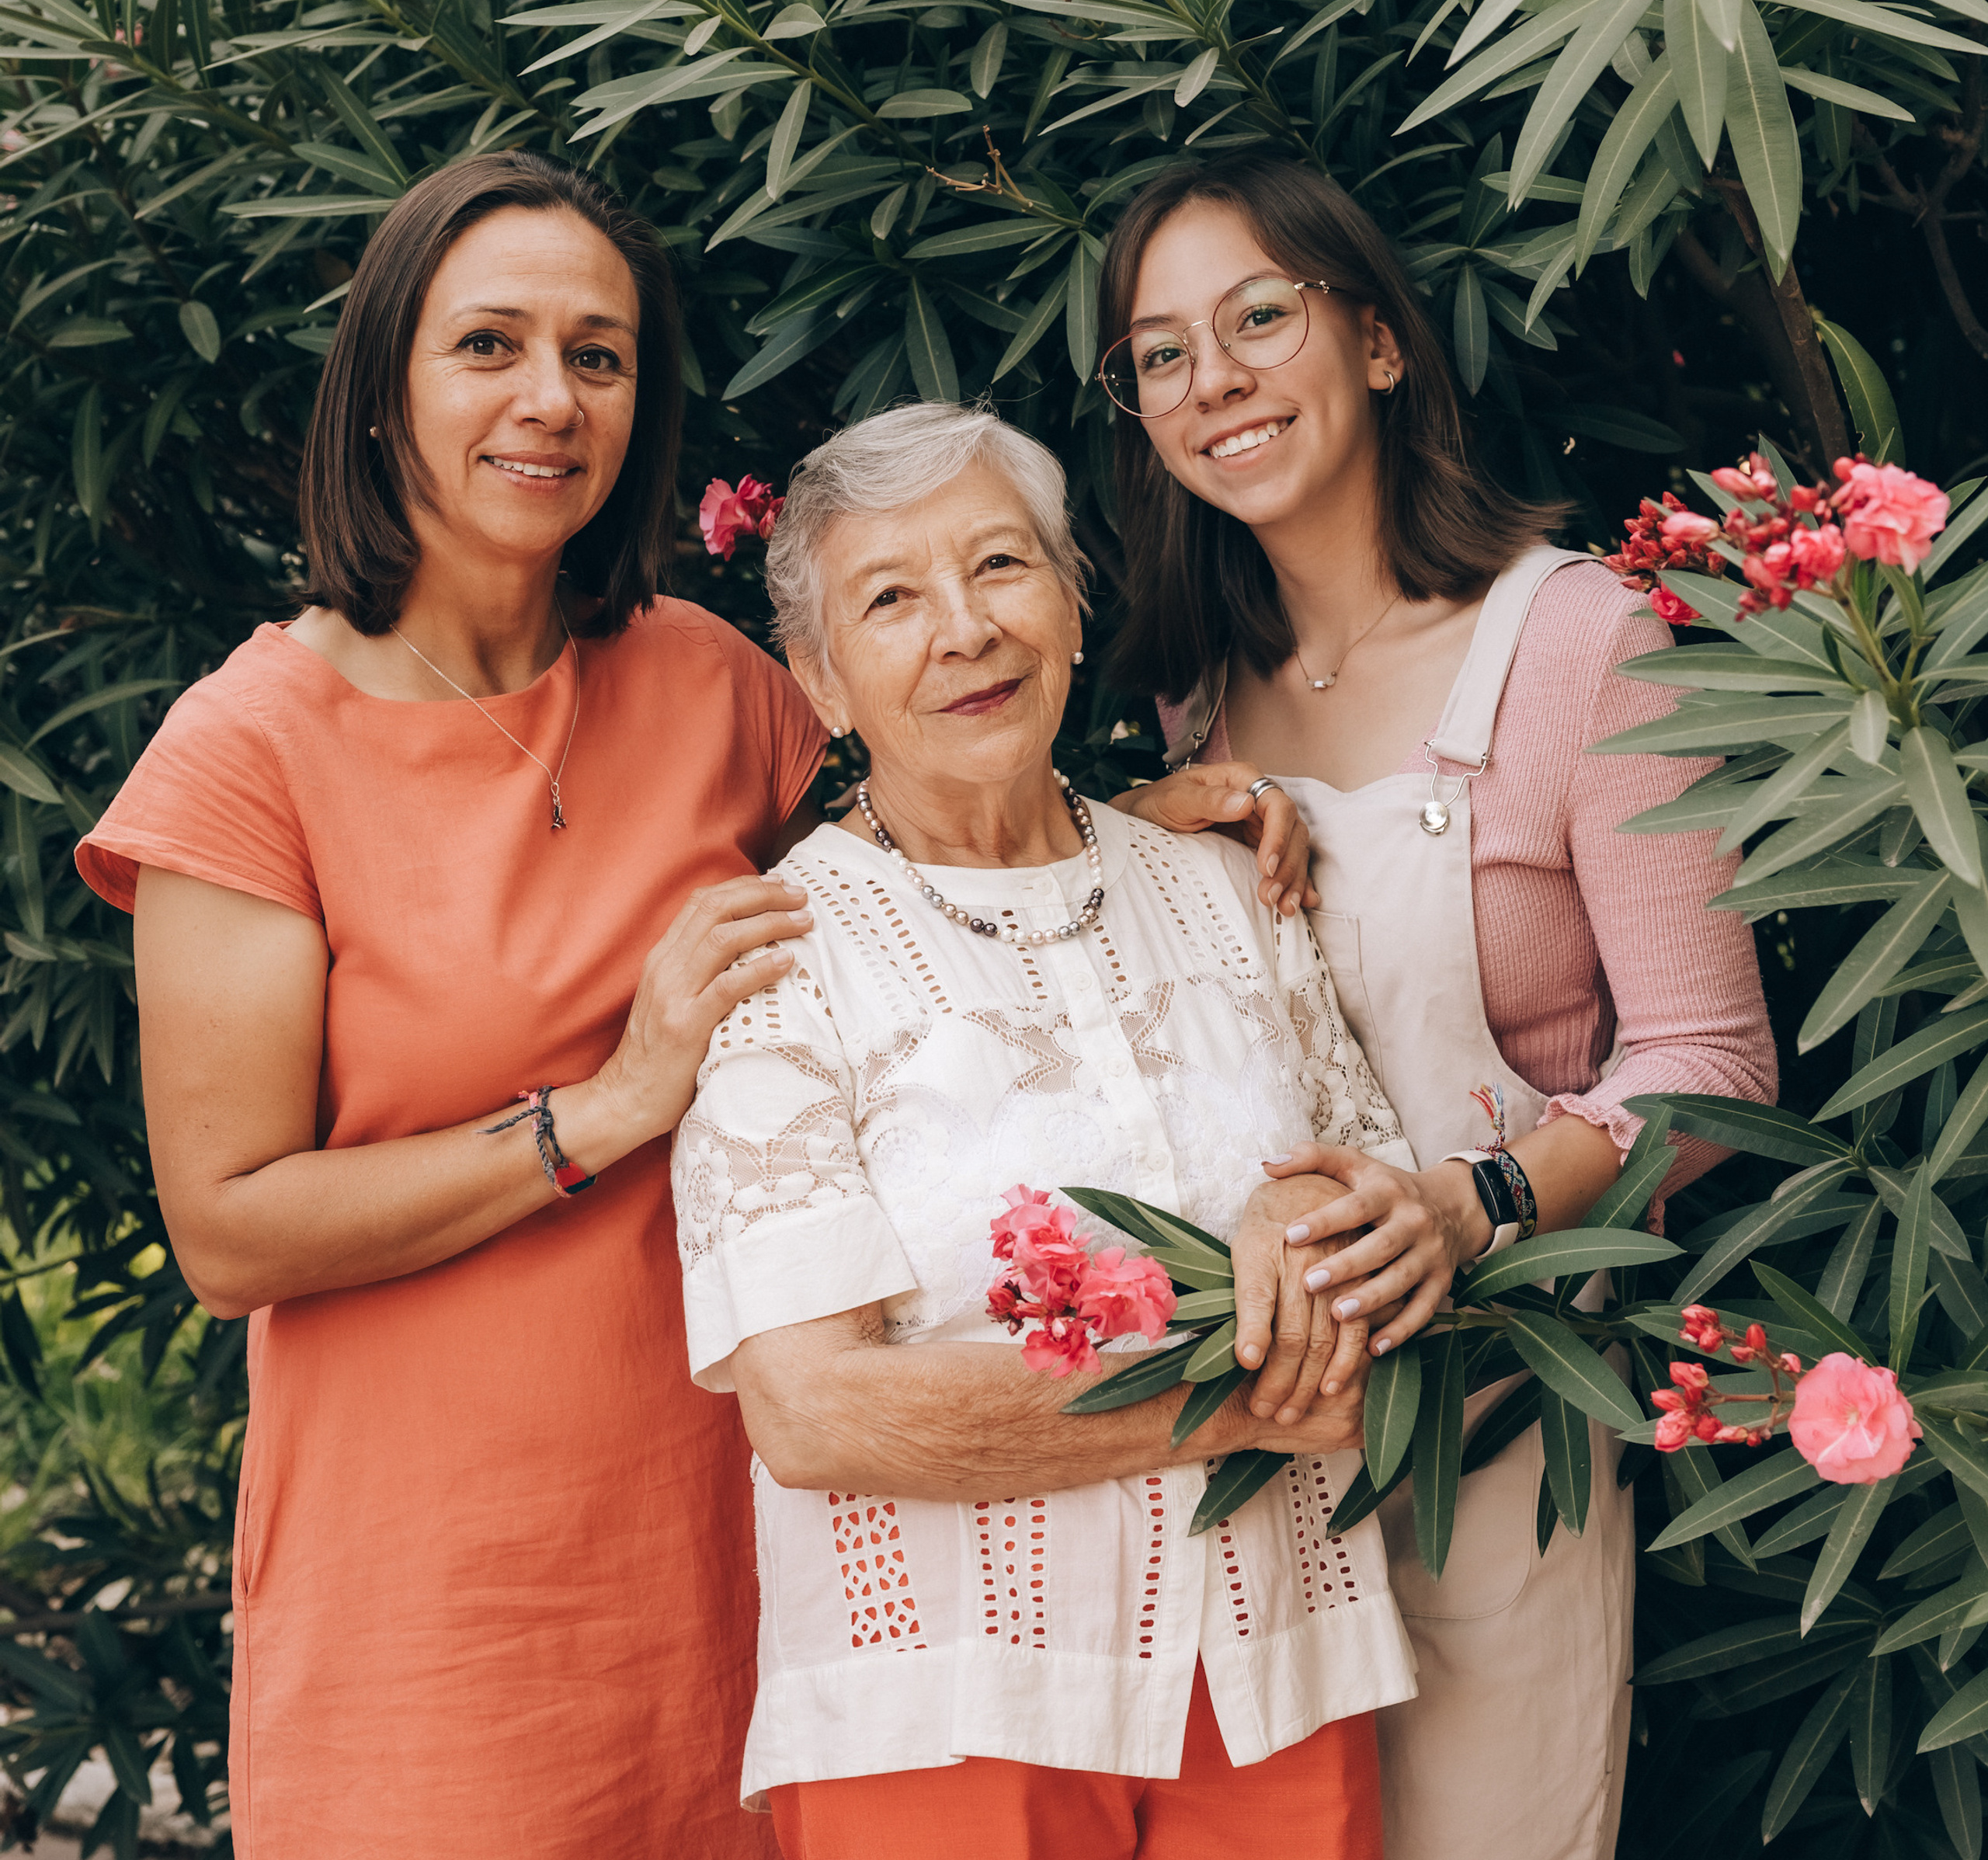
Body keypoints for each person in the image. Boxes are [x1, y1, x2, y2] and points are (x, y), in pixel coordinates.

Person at [73, 152, 828, 1858]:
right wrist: (611, 1105)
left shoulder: (720, 690)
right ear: (382, 387)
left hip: (734, 1561)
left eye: (599, 354)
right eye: (488, 345)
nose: (549, 399)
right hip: (436, 1607)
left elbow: (906, 927)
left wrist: (1130, 837)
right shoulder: (247, 748)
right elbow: (231, 1227)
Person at [1098, 152, 1778, 1860]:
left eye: (1259, 316)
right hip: (1254, 1442)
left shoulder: (1576, 643)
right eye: (1161, 351)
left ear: (1382, 338)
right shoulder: (1194, 700)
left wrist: (1470, 1206)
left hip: (1498, 1422)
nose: (1213, 381)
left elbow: (1709, 1066)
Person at [669, 400, 1421, 1860]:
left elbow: (1378, 1205)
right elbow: (815, 1413)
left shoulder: (1221, 887)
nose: (966, 630)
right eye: (892, 599)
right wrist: (1243, 1391)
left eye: (1003, 567)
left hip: (1277, 1670)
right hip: (948, 1708)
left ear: (1075, 607)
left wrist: (1311, 1227)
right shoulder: (787, 962)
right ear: (821, 683)